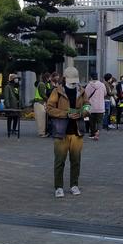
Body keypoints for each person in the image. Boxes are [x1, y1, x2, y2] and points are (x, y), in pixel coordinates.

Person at [46, 66, 90, 198]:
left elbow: (88, 105)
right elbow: (49, 108)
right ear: (65, 79)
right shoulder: (57, 92)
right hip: (61, 132)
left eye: (75, 81)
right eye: (71, 81)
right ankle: (58, 187)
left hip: (77, 132)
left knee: (76, 160)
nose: (73, 83)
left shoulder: (81, 91)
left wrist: (82, 112)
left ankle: (74, 185)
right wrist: (66, 114)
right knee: (60, 161)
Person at [84, 72, 106, 140]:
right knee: (99, 121)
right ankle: (98, 131)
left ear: (91, 77)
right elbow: (105, 94)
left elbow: (86, 96)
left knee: (92, 121)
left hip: (92, 107)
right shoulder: (102, 85)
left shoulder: (89, 85)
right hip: (100, 106)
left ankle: (93, 133)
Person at [34, 72, 51, 137]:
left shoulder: (43, 84)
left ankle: (42, 132)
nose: (50, 79)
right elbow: (42, 94)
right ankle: (42, 133)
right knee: (41, 119)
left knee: (42, 118)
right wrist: (48, 100)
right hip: (39, 102)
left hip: (40, 103)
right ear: (47, 78)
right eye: (49, 77)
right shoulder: (42, 84)